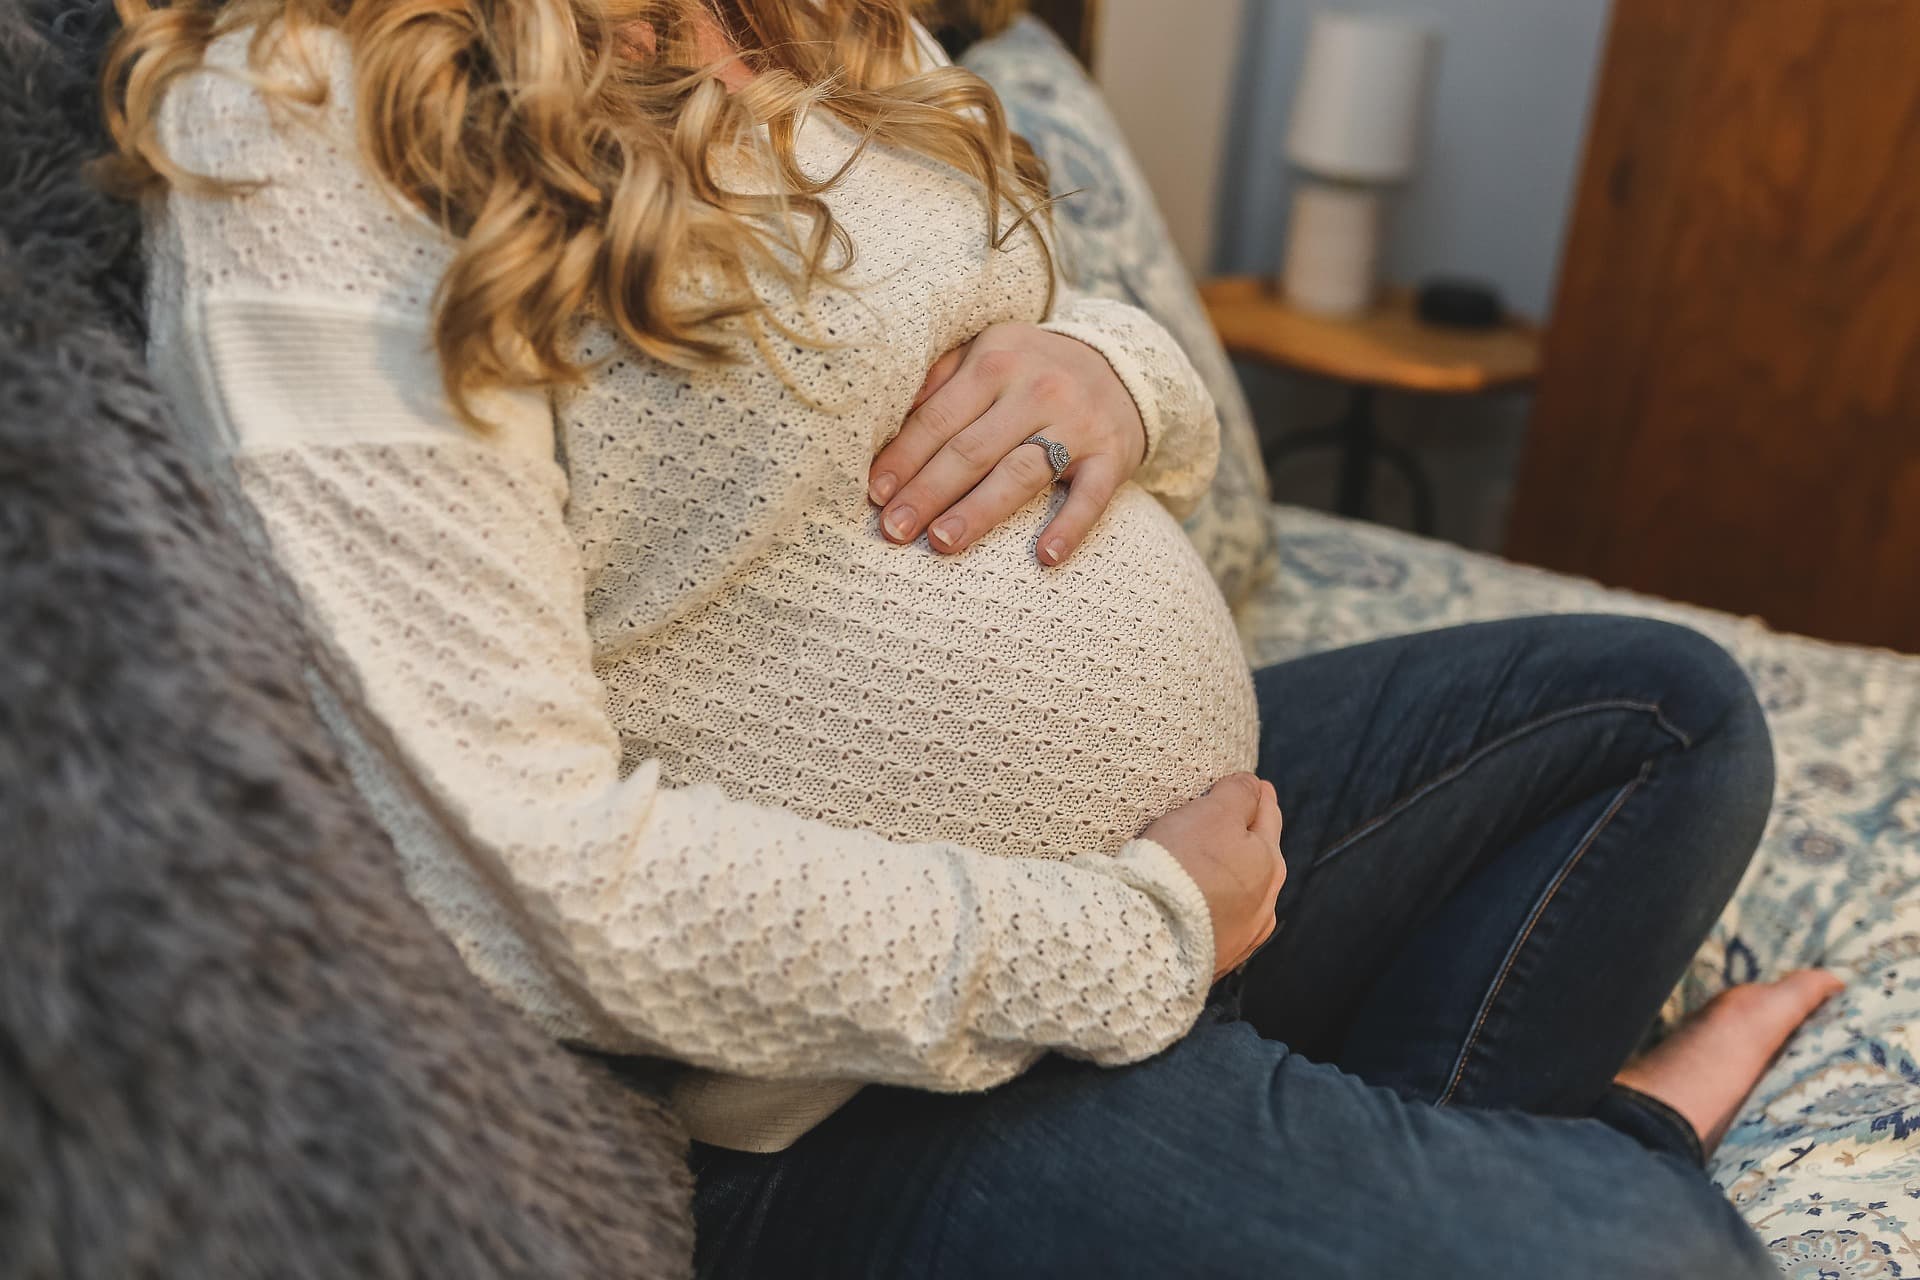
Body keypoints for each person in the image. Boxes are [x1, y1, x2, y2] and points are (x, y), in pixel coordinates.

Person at [107, 1, 1839, 1274]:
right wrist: (1142, 932)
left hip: (1183, 898)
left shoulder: (814, 23)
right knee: (1642, 1258)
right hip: (846, 1091)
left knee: (1665, 717)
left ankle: (1350, 1166)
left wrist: (1116, 372)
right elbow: (525, 875)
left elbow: (1070, 322)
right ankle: (1589, 1149)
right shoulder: (312, 122)